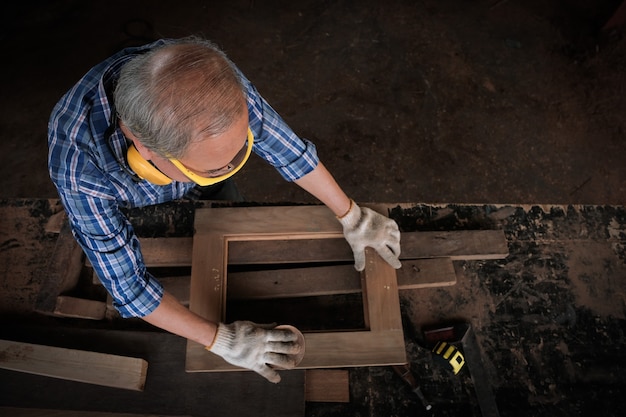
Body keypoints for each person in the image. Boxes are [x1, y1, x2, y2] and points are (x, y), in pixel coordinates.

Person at [48, 37, 402, 383]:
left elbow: (289, 151)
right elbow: (129, 287)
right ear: (144, 150)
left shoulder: (210, 80)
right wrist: (220, 340)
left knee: (224, 192)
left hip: (185, 159)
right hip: (122, 191)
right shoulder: (79, 163)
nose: (228, 166)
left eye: (237, 155)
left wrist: (351, 214)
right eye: (207, 168)